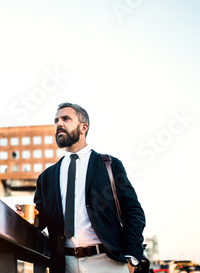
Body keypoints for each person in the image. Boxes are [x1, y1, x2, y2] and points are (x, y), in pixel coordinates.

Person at [16, 102, 145, 273]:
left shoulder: (109, 165)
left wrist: (132, 257)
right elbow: (42, 220)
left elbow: (133, 212)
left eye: (65, 119)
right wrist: (28, 218)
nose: (58, 124)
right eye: (56, 121)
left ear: (84, 127)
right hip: (65, 264)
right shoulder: (46, 177)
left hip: (108, 262)